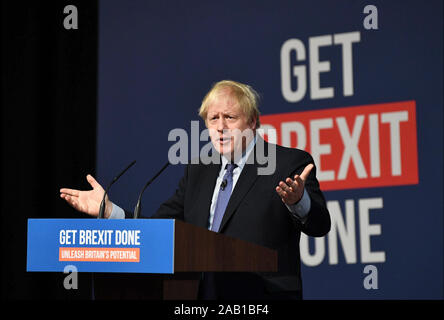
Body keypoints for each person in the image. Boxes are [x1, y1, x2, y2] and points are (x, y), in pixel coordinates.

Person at [60, 80, 331, 299]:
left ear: (253, 122)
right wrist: (110, 212)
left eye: (230, 117)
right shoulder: (198, 172)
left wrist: (299, 201)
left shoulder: (287, 163)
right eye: (213, 119)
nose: (221, 127)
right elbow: (159, 230)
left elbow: (320, 225)